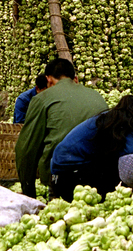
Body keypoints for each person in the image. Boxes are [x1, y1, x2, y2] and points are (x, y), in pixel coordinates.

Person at [50, 81, 133, 201]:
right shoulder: (132, 123)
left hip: (65, 174)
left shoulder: (130, 117)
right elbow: (131, 173)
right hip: (70, 177)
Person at [14, 58, 108, 198]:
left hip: (64, 177)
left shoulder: (42, 99)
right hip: (103, 175)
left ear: (49, 80)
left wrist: (28, 193)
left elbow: (26, 150)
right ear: (75, 78)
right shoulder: (96, 95)